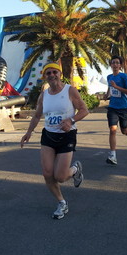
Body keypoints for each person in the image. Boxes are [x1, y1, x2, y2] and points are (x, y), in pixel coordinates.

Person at [20, 63, 89, 220]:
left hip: (67, 136)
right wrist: (28, 132)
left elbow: (84, 110)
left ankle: (75, 170)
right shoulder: (44, 95)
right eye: (48, 73)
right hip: (48, 136)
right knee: (47, 173)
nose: (51, 75)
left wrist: (70, 120)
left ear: (60, 74)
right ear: (45, 76)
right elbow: (37, 115)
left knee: (60, 177)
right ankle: (61, 202)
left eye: (54, 72)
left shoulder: (69, 90)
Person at [103, 55, 127, 166]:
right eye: (113, 63)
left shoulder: (124, 77)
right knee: (113, 129)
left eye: (117, 63)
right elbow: (109, 87)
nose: (115, 65)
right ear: (111, 65)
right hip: (112, 107)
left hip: (124, 107)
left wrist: (116, 87)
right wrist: (106, 95)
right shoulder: (109, 77)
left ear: (120, 65)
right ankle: (113, 155)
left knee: (124, 130)